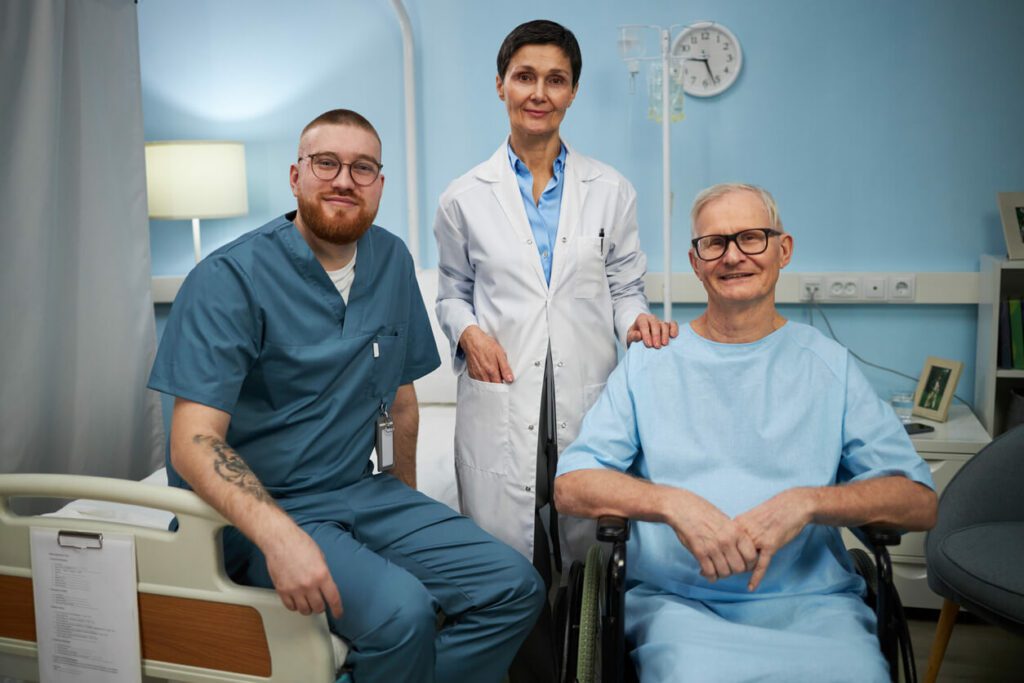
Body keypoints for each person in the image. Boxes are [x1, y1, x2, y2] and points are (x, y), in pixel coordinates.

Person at [148, 109, 545, 683]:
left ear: (379, 185)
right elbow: (192, 442)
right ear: (295, 176)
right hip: (266, 507)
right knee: (402, 614)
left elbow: (401, 403)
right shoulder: (229, 278)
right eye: (326, 163)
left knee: (514, 587)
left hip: (364, 492)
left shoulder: (391, 260)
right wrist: (279, 538)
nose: (344, 180)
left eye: (362, 168)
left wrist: (406, 505)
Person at [554, 183, 938, 682]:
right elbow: (572, 486)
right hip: (681, 608)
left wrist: (807, 503)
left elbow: (918, 502)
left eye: (751, 237)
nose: (733, 256)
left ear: (784, 250)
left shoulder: (828, 366)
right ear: (696, 263)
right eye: (714, 243)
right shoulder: (651, 363)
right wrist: (672, 503)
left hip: (815, 606)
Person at [433, 20, 676, 680]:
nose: (538, 92)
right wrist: (467, 332)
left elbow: (626, 286)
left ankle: (588, 665)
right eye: (525, 77)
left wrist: (638, 322)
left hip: (586, 395)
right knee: (507, 565)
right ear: (501, 85)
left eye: (555, 79)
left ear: (572, 92)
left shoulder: (611, 190)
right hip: (501, 397)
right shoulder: (463, 197)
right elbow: (452, 291)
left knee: (589, 558)